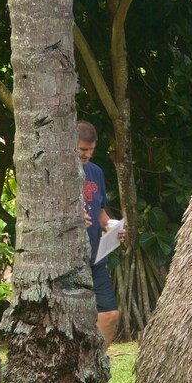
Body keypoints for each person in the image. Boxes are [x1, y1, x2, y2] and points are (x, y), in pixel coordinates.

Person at [77, 121, 121, 349]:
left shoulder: (96, 172)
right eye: (83, 150)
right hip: (68, 261)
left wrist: (112, 226)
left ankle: (96, 363)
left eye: (91, 150)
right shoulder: (58, 172)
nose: (87, 155)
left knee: (110, 314)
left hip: (95, 257)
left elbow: (101, 211)